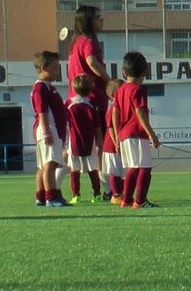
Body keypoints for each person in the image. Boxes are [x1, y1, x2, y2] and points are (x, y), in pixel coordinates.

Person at [112, 51, 162, 210]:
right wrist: (151, 134)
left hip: (124, 134)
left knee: (132, 168)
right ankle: (140, 201)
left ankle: (126, 200)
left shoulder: (120, 90)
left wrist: (117, 134)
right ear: (145, 72)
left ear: (124, 73)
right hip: (137, 133)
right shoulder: (138, 90)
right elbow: (140, 112)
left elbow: (115, 112)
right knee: (145, 168)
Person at [29, 51, 71, 207]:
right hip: (48, 129)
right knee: (50, 164)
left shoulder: (47, 86)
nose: (57, 71)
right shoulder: (41, 87)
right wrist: (46, 131)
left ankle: (40, 196)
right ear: (42, 67)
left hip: (52, 129)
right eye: (54, 68)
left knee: (43, 165)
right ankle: (51, 197)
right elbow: (42, 111)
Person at [67, 76, 105, 204]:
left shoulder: (69, 103)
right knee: (93, 168)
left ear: (73, 88)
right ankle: (97, 194)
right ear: (90, 89)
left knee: (74, 170)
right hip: (90, 141)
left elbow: (64, 123)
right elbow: (97, 125)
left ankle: (76, 195)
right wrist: (99, 140)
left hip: (74, 141)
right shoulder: (91, 104)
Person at [68, 5, 107, 100]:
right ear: (87, 22)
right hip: (92, 96)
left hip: (77, 97)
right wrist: (108, 80)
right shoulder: (88, 41)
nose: (102, 20)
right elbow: (92, 62)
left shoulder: (76, 42)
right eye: (98, 17)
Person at [102, 79, 124, 203]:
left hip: (120, 144)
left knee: (122, 171)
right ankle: (116, 195)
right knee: (114, 171)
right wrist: (116, 143)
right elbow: (110, 128)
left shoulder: (121, 107)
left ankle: (122, 194)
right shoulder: (112, 109)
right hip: (111, 146)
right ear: (113, 94)